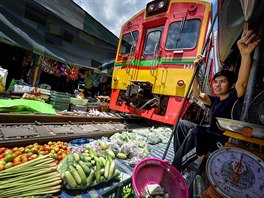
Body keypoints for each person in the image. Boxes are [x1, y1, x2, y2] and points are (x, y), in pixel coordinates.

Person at [172, 22, 261, 171]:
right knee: (182, 125)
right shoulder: (215, 100)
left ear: (230, 85)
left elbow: (242, 84)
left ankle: (175, 169)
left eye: (222, 82)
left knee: (197, 132)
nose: (217, 85)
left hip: (222, 139)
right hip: (210, 134)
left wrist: (245, 54)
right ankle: (182, 160)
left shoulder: (234, 97)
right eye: (215, 82)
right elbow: (197, 94)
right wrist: (196, 69)